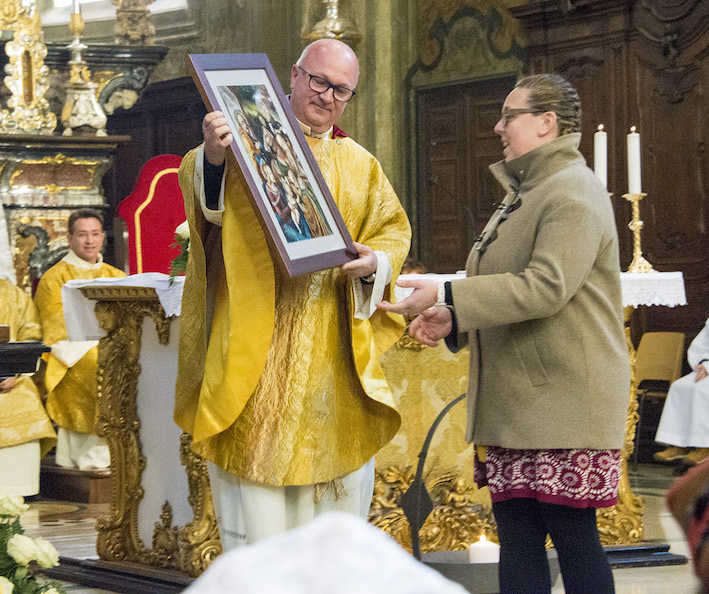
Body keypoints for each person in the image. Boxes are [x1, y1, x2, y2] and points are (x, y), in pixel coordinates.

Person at [379, 74, 629, 593]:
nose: (498, 126)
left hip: (562, 401)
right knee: (516, 538)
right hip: (521, 402)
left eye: (509, 115)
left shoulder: (572, 192)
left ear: (546, 123)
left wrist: (449, 296)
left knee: (574, 539)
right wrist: (454, 316)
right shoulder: (528, 190)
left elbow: (546, 287)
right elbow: (505, 283)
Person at [175, 39, 411, 549]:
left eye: (341, 90)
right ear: (294, 74)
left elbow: (393, 230)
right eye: (319, 80)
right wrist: (215, 158)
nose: (327, 96)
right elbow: (208, 215)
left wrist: (376, 262)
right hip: (259, 353)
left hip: (332, 358)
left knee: (332, 522)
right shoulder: (245, 143)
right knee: (261, 512)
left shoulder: (360, 163)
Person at [34, 208, 125, 469]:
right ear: (70, 239)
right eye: (82, 234)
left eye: (95, 234)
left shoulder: (117, 277)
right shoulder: (54, 279)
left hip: (114, 347)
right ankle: (97, 455)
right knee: (102, 361)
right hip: (70, 355)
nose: (89, 241)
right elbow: (57, 333)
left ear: (103, 237)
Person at [0, 278, 56, 496]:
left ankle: (20, 489)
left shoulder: (13, 295)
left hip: (10, 375)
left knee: (25, 400)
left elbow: (31, 337)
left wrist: (14, 372)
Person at [655, 318, 709, 465]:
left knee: (703, 391)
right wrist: (704, 363)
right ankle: (677, 444)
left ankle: (704, 447)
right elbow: (699, 347)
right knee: (680, 386)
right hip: (706, 369)